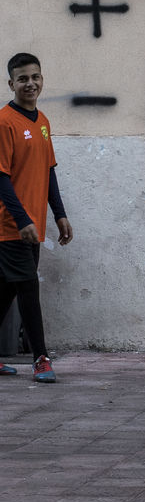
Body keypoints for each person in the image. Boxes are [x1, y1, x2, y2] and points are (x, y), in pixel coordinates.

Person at [0, 53, 73, 382]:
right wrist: (22, 220)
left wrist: (59, 214)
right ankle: (41, 357)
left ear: (42, 80)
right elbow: (1, 178)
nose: (30, 84)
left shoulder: (42, 121)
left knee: (7, 291)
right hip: (11, 226)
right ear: (11, 83)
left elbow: (48, 170)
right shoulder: (4, 122)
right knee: (29, 288)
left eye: (35, 77)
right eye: (23, 79)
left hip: (33, 226)